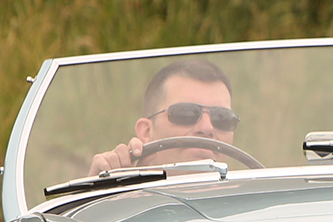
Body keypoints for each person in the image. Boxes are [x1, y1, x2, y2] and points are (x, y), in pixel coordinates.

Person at [88, 59, 239, 174]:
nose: (207, 128)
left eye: (222, 118)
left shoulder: (254, 205)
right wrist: (99, 192)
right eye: (186, 113)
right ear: (146, 131)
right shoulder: (127, 205)